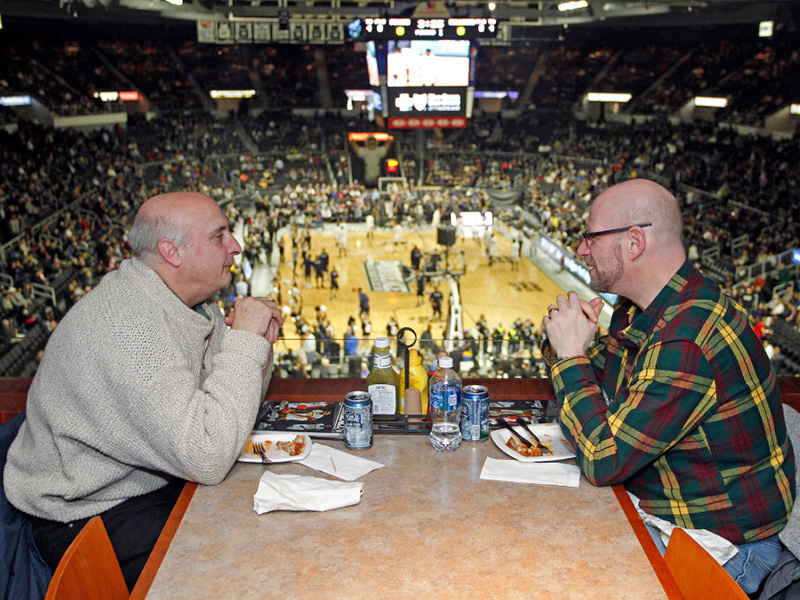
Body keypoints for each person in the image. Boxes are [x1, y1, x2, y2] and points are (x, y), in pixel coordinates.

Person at [3, 191, 283, 591]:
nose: (235, 246)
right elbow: (208, 453)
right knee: (240, 569)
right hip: (87, 514)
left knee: (264, 521)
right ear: (172, 252)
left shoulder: (190, 303)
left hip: (143, 484)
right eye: (218, 236)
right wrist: (245, 345)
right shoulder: (130, 328)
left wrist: (257, 348)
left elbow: (225, 407)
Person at [541, 179, 794, 594]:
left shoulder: (686, 338)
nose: (582, 249)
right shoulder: (650, 310)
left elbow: (603, 460)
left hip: (723, 549)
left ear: (634, 242)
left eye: (590, 237)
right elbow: (599, 373)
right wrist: (565, 345)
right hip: (675, 518)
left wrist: (570, 357)